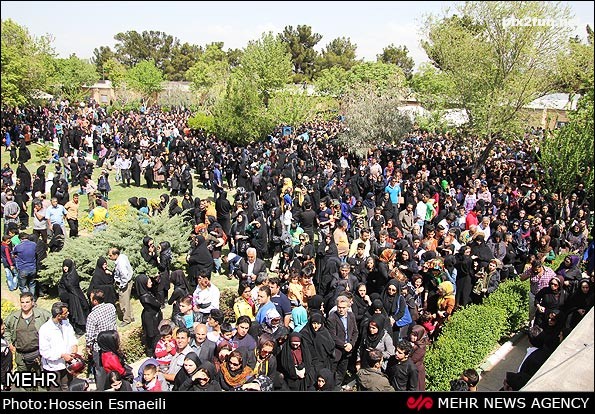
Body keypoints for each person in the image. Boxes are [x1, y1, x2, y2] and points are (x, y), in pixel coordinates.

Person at [4, 293, 51, 382]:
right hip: (21, 355)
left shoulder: (42, 315)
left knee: (41, 381)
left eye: (27, 302)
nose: (24, 305)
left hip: (38, 354)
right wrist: (9, 343)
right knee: (25, 381)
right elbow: (5, 329)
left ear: (32, 302)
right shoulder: (14, 317)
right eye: (22, 302)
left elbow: (53, 325)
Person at [38, 302, 79, 391]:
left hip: (67, 365)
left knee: (68, 388)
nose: (68, 313)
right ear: (58, 316)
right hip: (52, 367)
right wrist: (61, 355)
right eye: (65, 313)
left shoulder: (66, 323)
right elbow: (44, 351)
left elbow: (72, 337)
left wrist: (74, 346)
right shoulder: (45, 329)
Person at [85, 289, 117, 390]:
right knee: (113, 365)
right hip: (112, 342)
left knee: (100, 370)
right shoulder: (111, 307)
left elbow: (90, 336)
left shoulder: (92, 316)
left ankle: (102, 389)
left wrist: (88, 347)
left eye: (90, 298)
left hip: (99, 348)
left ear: (95, 301)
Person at [327, 295, 359, 389]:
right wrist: (344, 345)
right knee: (332, 371)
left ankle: (337, 387)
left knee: (342, 371)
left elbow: (355, 332)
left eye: (343, 308)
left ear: (348, 307)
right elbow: (332, 336)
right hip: (336, 350)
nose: (341, 310)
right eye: (339, 307)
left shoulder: (351, 316)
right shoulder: (332, 318)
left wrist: (351, 344)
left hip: (347, 350)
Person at [58, 259, 89, 336]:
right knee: (71, 314)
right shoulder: (65, 275)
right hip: (69, 297)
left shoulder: (72, 275)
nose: (65, 268)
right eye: (64, 266)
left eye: (67, 266)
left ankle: (80, 330)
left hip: (75, 296)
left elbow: (70, 286)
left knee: (77, 313)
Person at [135, 274, 163, 357]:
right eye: (149, 281)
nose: (151, 282)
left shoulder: (146, 293)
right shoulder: (146, 297)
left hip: (150, 315)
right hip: (151, 318)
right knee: (153, 335)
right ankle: (154, 353)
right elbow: (158, 304)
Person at [109, 248, 134, 326]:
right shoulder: (122, 257)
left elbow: (124, 275)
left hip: (124, 284)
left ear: (116, 255)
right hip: (128, 282)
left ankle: (126, 319)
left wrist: (122, 285)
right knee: (127, 301)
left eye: (110, 255)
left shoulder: (120, 263)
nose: (109, 257)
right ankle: (131, 316)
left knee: (123, 302)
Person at [12, 232, 37, 297]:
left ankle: (27, 298)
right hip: (33, 268)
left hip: (23, 268)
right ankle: (32, 299)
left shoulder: (18, 247)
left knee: (22, 286)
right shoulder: (34, 244)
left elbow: (13, 254)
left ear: (20, 239)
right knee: (32, 285)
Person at [1, 318, 13, 391]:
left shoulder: (3, 339)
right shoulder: (2, 346)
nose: (4, 327)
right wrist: (6, 382)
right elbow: (4, 367)